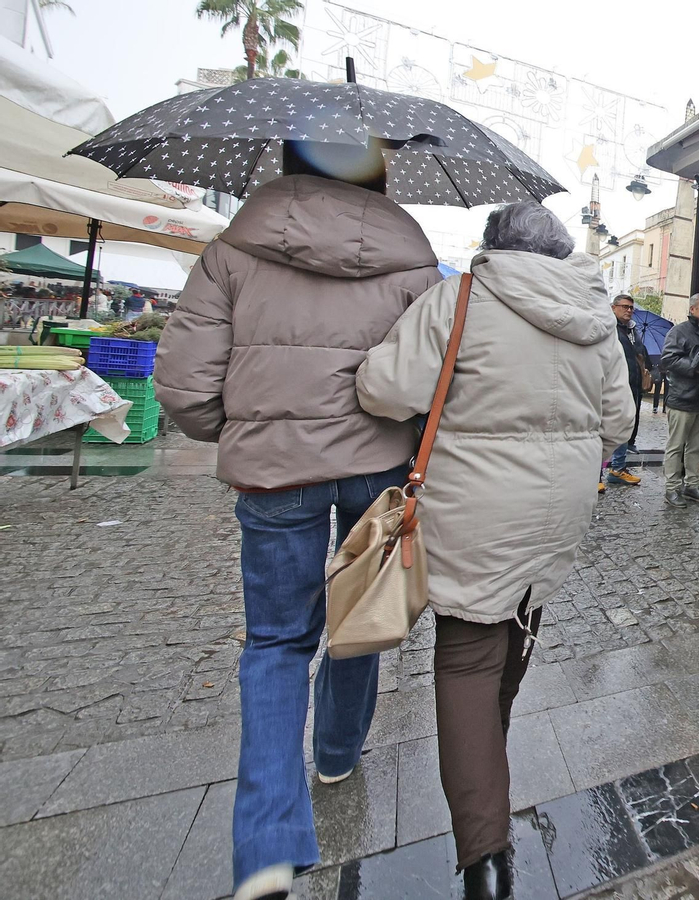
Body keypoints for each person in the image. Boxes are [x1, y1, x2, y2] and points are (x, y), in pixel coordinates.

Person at [153, 139, 442, 900]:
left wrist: (246, 428)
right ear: (382, 175)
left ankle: (268, 847)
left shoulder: (231, 251)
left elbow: (183, 386)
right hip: (377, 463)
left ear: (284, 165)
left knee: (277, 643)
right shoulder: (414, 260)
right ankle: (339, 750)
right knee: (359, 614)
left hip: (275, 470)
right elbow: (432, 377)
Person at [357, 201, 634, 899]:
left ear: (493, 244)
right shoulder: (595, 317)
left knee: (466, 663)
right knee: (516, 629)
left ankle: (484, 857)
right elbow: (620, 420)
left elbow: (384, 390)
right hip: (559, 507)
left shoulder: (462, 297)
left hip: (473, 509)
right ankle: (487, 767)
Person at [660, 292, 699, 507]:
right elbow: (668, 359)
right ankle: (672, 488)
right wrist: (695, 367)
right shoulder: (678, 331)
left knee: (696, 446)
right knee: (676, 446)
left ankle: (692, 484)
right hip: (682, 398)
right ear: (692, 309)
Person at [602, 292, 650, 491]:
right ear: (613, 308)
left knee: (624, 428)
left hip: (632, 384)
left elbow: (639, 354)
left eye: (631, 308)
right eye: (624, 307)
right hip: (611, 385)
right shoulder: (606, 327)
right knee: (604, 428)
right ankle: (596, 473)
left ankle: (617, 469)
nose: (629, 310)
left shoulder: (633, 331)